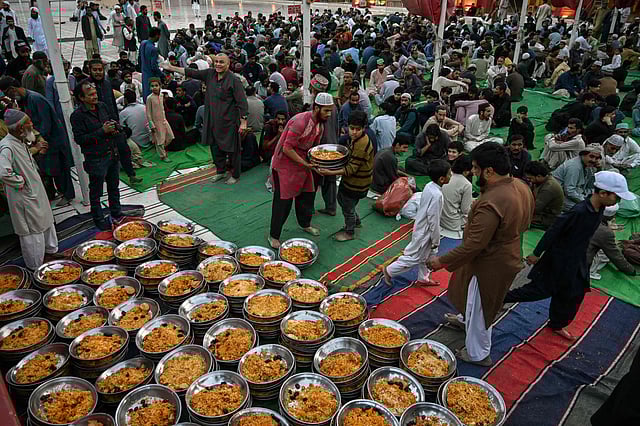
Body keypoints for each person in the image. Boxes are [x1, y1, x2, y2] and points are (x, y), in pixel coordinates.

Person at [428, 142, 535, 366]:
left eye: (476, 169)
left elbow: (474, 245)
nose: (473, 173)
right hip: (505, 254)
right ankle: (465, 319)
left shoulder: (492, 201)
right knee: (470, 294)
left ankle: (478, 353)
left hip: (490, 263)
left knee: (481, 307)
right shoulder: (520, 185)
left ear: (489, 171)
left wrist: (440, 261)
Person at [504, 171, 634, 340]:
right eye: (617, 197)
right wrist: (537, 253)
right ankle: (502, 298)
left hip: (577, 260)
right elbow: (554, 231)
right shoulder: (579, 212)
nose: (618, 201)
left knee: (573, 293)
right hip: (558, 260)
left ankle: (557, 324)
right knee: (538, 291)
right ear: (603, 193)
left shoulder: (599, 209)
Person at [162, 53, 248, 185]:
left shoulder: (234, 80)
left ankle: (235, 174)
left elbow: (242, 102)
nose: (218, 64)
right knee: (215, 147)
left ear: (228, 64)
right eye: (216, 62)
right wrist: (172, 68)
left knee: (232, 149)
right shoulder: (210, 74)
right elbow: (192, 72)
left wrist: (243, 122)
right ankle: (221, 171)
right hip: (212, 119)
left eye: (221, 62)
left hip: (228, 121)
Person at [267, 93, 334, 249]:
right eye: (326, 111)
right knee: (283, 202)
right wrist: (306, 164)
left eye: (330, 111)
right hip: (285, 164)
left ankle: (305, 224)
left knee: (307, 195)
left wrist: (319, 163)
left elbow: (315, 148)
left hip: (304, 162)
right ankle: (274, 235)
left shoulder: (320, 124)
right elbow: (287, 148)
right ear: (316, 108)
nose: (329, 114)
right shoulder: (300, 122)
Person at [0, 76, 75, 204]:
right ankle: (55, 193)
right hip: (42, 140)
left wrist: (36, 139)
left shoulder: (35, 99)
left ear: (12, 89)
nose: (10, 97)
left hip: (52, 139)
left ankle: (67, 195)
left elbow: (46, 124)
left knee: (60, 169)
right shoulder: (24, 100)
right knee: (51, 169)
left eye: (8, 93)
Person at [0, 109, 58, 270]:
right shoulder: (7, 146)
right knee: (32, 231)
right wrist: (20, 182)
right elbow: (4, 172)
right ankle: (36, 265)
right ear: (20, 128)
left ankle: (50, 251)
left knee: (44, 220)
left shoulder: (20, 141)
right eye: (28, 123)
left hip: (33, 191)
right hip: (23, 195)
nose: (32, 125)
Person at [383, 159, 451, 287]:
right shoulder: (437, 195)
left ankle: (423, 278)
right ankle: (389, 271)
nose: (451, 175)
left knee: (427, 255)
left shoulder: (429, 186)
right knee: (415, 257)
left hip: (422, 227)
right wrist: (436, 239)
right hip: (426, 231)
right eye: (449, 173)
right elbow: (433, 219)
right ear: (442, 179)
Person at [70, 80, 128, 230]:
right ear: (82, 98)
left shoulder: (102, 106)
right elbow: (80, 139)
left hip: (112, 153)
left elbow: (110, 121)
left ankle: (116, 212)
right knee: (96, 192)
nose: (94, 96)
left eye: (95, 93)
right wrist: (102, 131)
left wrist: (114, 129)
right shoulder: (77, 116)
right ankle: (98, 218)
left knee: (114, 187)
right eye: (90, 95)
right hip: (96, 159)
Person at [316, 110, 375, 242]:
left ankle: (349, 231)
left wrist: (329, 172)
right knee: (343, 200)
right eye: (352, 128)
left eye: (357, 129)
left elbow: (351, 169)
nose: (354, 132)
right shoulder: (357, 139)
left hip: (357, 183)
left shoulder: (361, 144)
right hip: (353, 181)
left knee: (347, 206)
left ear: (363, 128)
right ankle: (356, 221)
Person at [587, 203, 637, 280]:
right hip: (578, 261)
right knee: (604, 253)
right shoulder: (604, 232)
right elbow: (615, 256)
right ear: (613, 216)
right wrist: (631, 270)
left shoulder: (583, 214)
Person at [552, 144, 602, 211]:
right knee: (584, 209)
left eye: (596, 158)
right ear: (583, 154)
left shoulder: (588, 165)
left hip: (577, 192)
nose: (593, 160)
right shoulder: (574, 167)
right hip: (560, 195)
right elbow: (569, 191)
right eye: (591, 156)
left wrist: (598, 169)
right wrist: (585, 202)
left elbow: (591, 185)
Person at [440, 154, 473, 240]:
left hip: (439, 219)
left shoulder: (445, 176)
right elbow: (465, 210)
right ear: (466, 171)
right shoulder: (466, 184)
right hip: (453, 224)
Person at [525, 161, 565, 229]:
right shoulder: (541, 180)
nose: (529, 180)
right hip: (541, 211)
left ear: (539, 176)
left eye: (530, 178)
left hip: (547, 218)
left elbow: (535, 209)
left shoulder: (548, 188)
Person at [145, 77, 173, 162]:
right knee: (159, 140)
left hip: (163, 120)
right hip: (156, 122)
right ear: (150, 87)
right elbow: (148, 112)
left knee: (170, 137)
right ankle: (163, 156)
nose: (154, 87)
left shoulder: (161, 95)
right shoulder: (149, 98)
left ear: (160, 86)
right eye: (152, 86)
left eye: (156, 85)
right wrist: (151, 124)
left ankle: (162, 150)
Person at [139, 27, 163, 100]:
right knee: (153, 97)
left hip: (144, 73)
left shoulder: (143, 43)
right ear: (156, 35)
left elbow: (139, 59)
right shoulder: (153, 49)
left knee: (146, 95)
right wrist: (162, 75)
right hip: (151, 76)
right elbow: (154, 66)